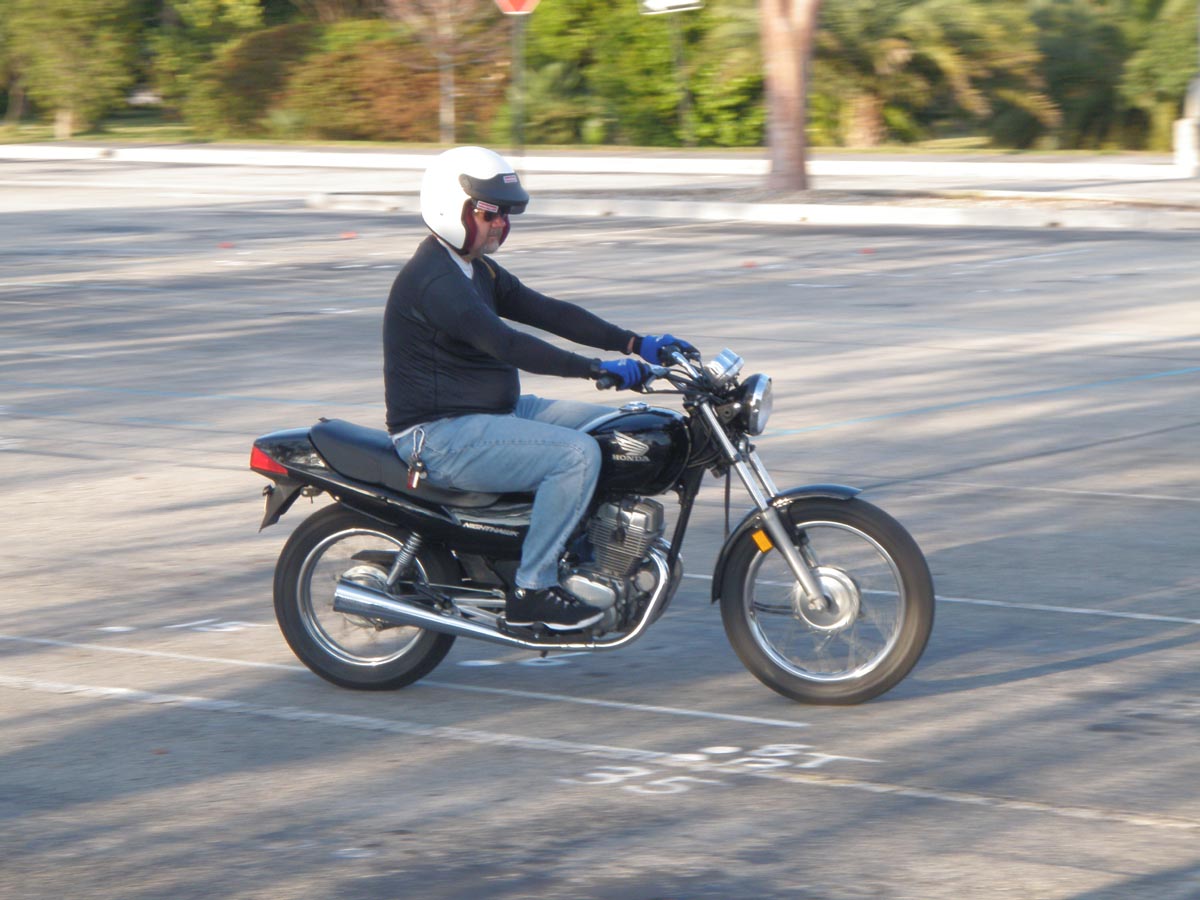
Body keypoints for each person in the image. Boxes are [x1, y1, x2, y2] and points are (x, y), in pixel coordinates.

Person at [384, 146, 695, 632]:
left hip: (493, 411)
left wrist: (634, 342)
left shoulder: (474, 267)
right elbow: (507, 344)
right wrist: (597, 369)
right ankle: (532, 589)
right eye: (489, 213)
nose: (500, 225)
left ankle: (588, 553)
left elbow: (545, 310)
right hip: (441, 434)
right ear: (451, 207)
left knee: (615, 429)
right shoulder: (435, 280)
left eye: (505, 215)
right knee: (576, 456)